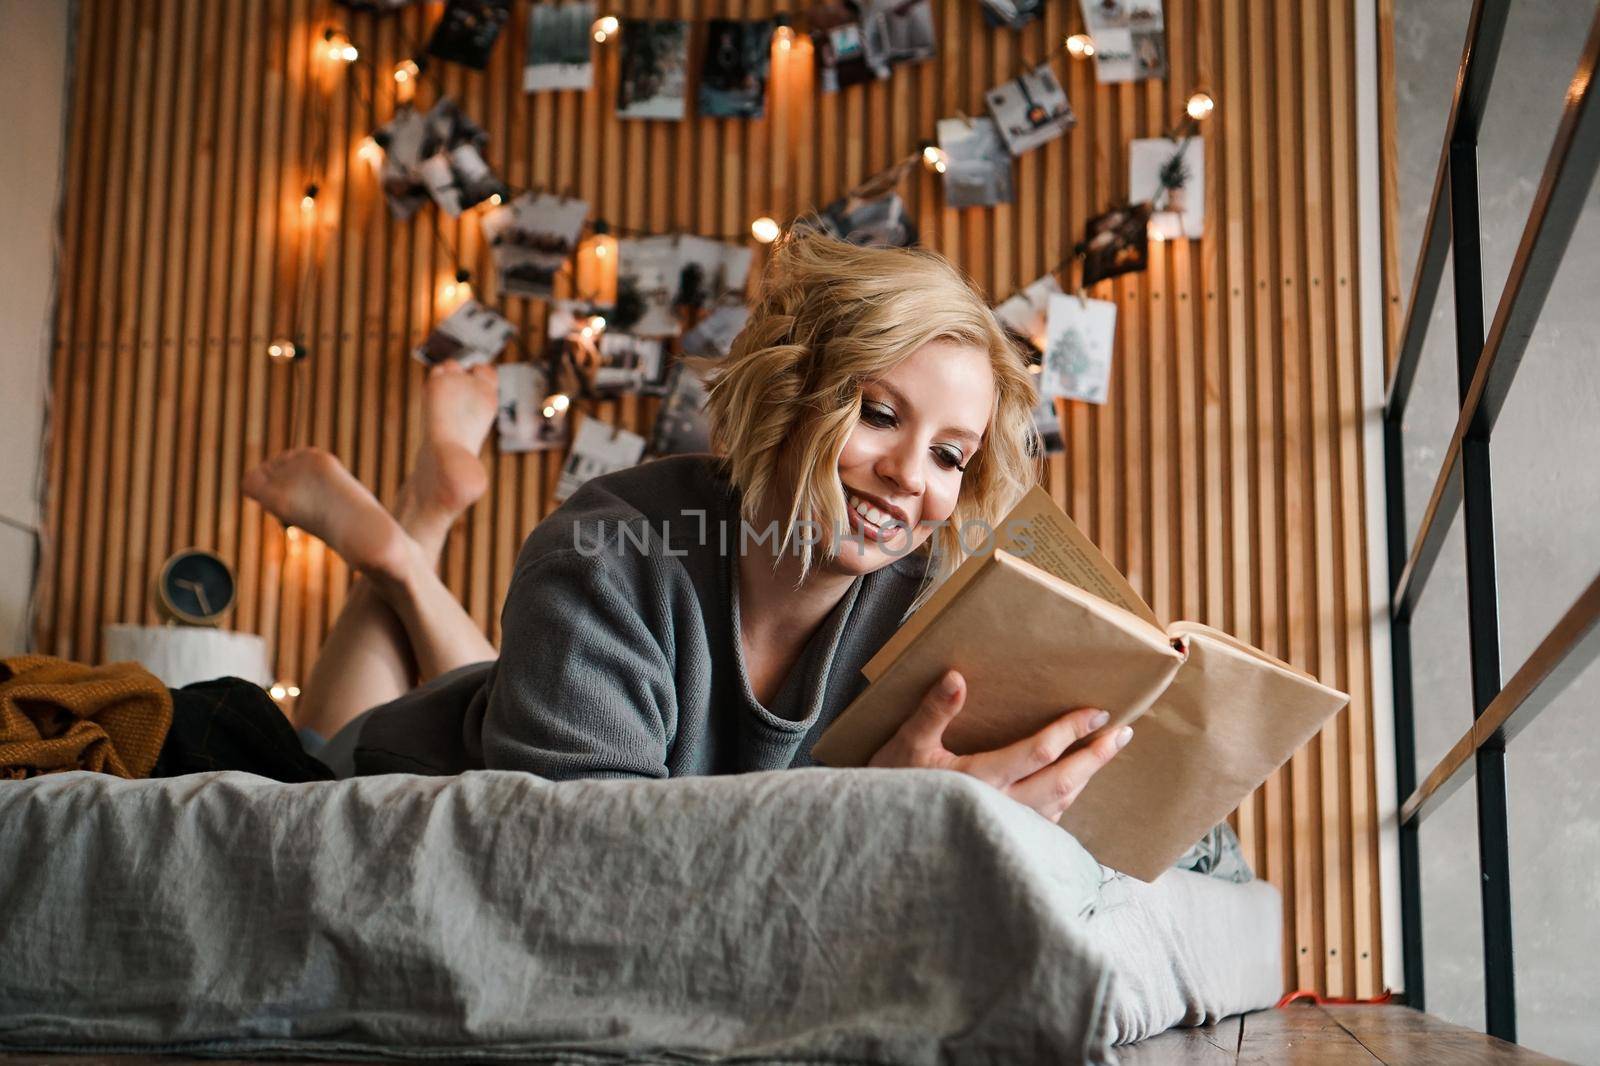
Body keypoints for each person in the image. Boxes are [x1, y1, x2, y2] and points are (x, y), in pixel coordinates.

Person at [243, 232, 1133, 825]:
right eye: (877, 412)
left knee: (504, 673)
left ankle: (414, 533)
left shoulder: (932, 609)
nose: (911, 477)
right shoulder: (603, 553)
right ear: (787, 396)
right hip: (403, 759)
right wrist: (875, 815)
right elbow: (586, 858)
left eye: (951, 456)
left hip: (529, 692)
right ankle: (402, 552)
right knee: (330, 738)